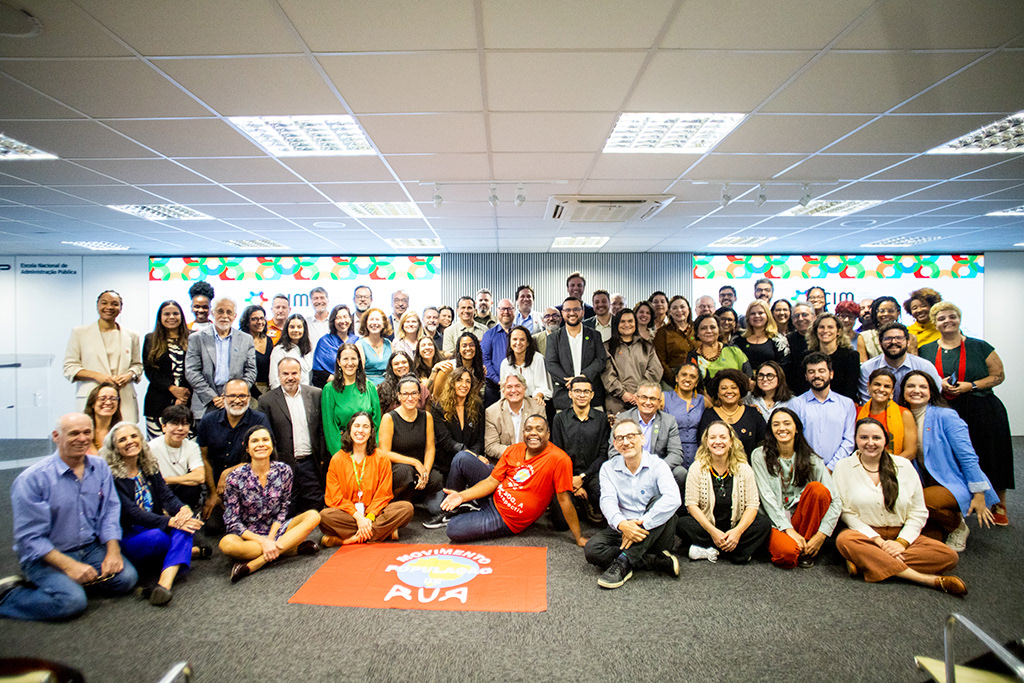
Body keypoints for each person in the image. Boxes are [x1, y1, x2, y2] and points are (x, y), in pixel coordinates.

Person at [0, 414, 138, 621]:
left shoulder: (100, 468)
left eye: (86, 433)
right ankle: (10, 595)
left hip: (89, 548)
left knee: (126, 580)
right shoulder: (31, 479)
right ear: (56, 436)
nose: (82, 438)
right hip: (48, 555)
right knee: (71, 602)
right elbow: (29, 538)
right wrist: (69, 565)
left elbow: (110, 510)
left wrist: (113, 551)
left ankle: (66, 584)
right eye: (74, 433)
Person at [832, 418, 965, 595]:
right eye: (864, 437)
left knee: (948, 556)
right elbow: (846, 512)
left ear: (885, 440)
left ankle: (865, 562)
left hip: (900, 533)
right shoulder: (843, 467)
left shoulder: (904, 466)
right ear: (856, 439)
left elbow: (918, 511)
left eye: (876, 438)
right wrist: (878, 541)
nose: (870, 443)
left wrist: (901, 543)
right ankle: (926, 579)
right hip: (864, 536)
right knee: (844, 541)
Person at [919, 301, 1013, 525]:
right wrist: (938, 383)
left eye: (952, 316)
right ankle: (960, 500)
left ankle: (999, 503)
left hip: (982, 407)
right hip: (945, 408)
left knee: (991, 453)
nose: (947, 321)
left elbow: (998, 375)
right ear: (935, 323)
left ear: (959, 318)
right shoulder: (926, 350)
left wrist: (971, 385)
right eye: (941, 318)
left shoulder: (980, 346)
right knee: (952, 455)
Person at [439, 415, 587, 546]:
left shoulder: (560, 459)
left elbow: (564, 500)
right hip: (494, 494)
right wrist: (461, 496)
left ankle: (473, 509)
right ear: (523, 433)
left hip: (506, 518)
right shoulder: (514, 449)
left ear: (548, 434)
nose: (533, 433)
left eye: (539, 429)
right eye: (528, 429)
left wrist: (578, 537)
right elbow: (491, 482)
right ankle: (454, 508)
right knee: (462, 458)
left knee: (453, 529)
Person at [102, 422, 203, 607]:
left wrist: (183, 510)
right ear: (114, 447)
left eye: (134, 436)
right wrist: (171, 521)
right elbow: (131, 513)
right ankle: (186, 552)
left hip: (155, 524)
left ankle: (163, 585)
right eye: (122, 439)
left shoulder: (148, 466)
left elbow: (166, 496)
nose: (130, 441)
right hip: (129, 534)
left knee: (186, 527)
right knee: (159, 536)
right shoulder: (111, 476)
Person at [899, 370, 997, 551]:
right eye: (910, 386)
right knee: (928, 541)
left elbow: (967, 456)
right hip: (924, 482)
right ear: (903, 391)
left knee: (918, 502)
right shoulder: (901, 416)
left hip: (953, 481)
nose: (916, 390)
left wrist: (979, 493)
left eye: (923, 387)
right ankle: (946, 521)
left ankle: (958, 527)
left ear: (931, 392)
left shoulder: (945, 416)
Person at [585, 418, 682, 589]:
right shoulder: (608, 468)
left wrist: (641, 525)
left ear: (642, 439)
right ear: (615, 444)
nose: (626, 442)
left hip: (655, 530)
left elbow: (674, 499)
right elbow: (607, 501)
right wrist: (622, 524)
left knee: (659, 500)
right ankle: (654, 560)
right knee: (592, 550)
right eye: (620, 438)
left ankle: (624, 562)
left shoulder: (658, 465)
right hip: (624, 527)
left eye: (631, 436)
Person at [218, 426, 321, 582]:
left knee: (313, 516)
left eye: (265, 440)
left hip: (277, 529)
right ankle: (289, 549)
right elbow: (232, 521)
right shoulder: (235, 477)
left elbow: (284, 509)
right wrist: (263, 541)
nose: (261, 444)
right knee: (226, 544)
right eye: (255, 441)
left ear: (272, 445)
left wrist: (271, 537)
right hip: (249, 536)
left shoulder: (284, 471)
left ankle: (256, 563)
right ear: (247, 448)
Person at [750, 408, 841, 569]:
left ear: (796, 428)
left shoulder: (811, 459)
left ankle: (806, 548)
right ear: (771, 430)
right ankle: (797, 547)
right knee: (787, 555)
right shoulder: (759, 455)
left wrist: (821, 535)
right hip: (774, 520)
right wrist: (788, 529)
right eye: (776, 424)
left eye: (787, 423)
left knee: (818, 489)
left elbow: (835, 501)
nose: (782, 428)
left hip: (802, 519)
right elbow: (766, 497)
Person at [678, 421, 771, 564]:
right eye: (712, 437)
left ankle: (710, 550)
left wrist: (737, 532)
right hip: (708, 526)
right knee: (681, 524)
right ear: (706, 442)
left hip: (735, 525)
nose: (718, 442)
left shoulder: (744, 468)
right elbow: (691, 505)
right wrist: (713, 532)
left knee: (763, 524)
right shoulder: (697, 468)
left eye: (723, 437)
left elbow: (752, 505)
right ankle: (737, 552)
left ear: (731, 441)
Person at [319, 413, 414, 546]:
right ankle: (383, 533)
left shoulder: (381, 458)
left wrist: (369, 517)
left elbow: (383, 495)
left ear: (371, 433)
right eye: (357, 426)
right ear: (349, 430)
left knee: (406, 508)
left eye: (365, 427)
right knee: (324, 516)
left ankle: (347, 539)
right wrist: (358, 518)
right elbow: (334, 497)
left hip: (375, 514)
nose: (360, 430)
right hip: (349, 515)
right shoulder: (337, 459)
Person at [196, 379, 273, 524]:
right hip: (217, 487)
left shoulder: (259, 420)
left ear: (249, 397)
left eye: (242, 396)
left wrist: (228, 472)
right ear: (223, 397)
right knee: (212, 526)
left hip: (249, 485)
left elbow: (265, 456)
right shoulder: (208, 421)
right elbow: (203, 457)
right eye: (232, 396)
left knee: (253, 523)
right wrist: (213, 493)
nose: (237, 400)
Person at [257, 357, 326, 516]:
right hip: (282, 465)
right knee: (286, 512)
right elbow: (265, 435)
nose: (290, 377)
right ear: (278, 375)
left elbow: (322, 429)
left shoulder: (316, 394)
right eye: (285, 373)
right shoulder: (266, 401)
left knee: (315, 511)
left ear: (301, 374)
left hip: (311, 464)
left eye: (294, 373)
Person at [63, 289, 143, 423]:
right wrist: (97, 376)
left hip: (124, 397)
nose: (109, 307)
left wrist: (129, 375)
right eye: (104, 303)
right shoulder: (79, 333)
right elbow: (69, 368)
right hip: (92, 397)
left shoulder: (132, 335)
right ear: (97, 306)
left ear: (120, 308)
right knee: (92, 433)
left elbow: (137, 365)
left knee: (125, 433)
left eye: (115, 304)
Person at [184, 297, 257, 419]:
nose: (225, 316)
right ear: (212, 313)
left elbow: (251, 371)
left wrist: (234, 394)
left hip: (237, 402)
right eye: (220, 311)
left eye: (229, 312)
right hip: (205, 402)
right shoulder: (197, 338)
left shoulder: (246, 339)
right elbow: (192, 371)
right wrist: (212, 397)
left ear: (235, 316)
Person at [551, 376, 610, 524]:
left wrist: (582, 478)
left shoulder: (601, 419)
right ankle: (579, 501)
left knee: (604, 504)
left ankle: (586, 501)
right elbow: (557, 454)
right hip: (567, 475)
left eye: (586, 391)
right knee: (560, 522)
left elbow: (604, 454)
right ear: (570, 393)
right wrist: (573, 482)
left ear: (592, 395)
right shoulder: (559, 419)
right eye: (577, 391)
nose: (582, 395)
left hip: (593, 474)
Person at [378, 375, 443, 507]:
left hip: (419, 467)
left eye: (414, 393)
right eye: (405, 394)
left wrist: (425, 472)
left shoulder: (426, 416)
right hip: (398, 467)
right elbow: (384, 452)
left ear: (419, 395)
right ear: (399, 396)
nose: (410, 398)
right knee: (405, 472)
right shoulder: (389, 418)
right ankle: (390, 502)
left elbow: (430, 448)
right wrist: (415, 462)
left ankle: (410, 498)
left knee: (436, 479)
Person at [610, 382, 686, 487]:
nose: (648, 402)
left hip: (658, 470)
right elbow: (614, 453)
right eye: (644, 397)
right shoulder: (622, 420)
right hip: (629, 470)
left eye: (653, 398)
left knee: (680, 472)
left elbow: (676, 453)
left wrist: (656, 469)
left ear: (659, 401)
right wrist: (634, 469)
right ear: (636, 399)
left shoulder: (669, 421)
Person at [791, 352, 856, 471]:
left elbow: (849, 441)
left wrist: (831, 468)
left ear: (831, 374)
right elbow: (794, 439)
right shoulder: (796, 404)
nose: (817, 375)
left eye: (821, 371)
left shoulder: (847, 404)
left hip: (839, 470)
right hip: (806, 469)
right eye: (811, 372)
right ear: (806, 376)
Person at [546, 296, 607, 411]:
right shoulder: (553, 338)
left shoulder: (595, 335)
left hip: (593, 399)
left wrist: (583, 377)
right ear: (562, 313)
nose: (572, 313)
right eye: (568, 310)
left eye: (576, 309)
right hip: (564, 398)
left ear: (582, 312)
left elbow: (601, 360)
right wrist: (572, 383)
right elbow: (551, 364)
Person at [857, 322, 942, 404]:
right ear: (880, 343)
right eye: (888, 338)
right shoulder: (867, 368)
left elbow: (934, 396)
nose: (893, 342)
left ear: (908, 342)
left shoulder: (925, 367)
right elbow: (868, 402)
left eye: (899, 338)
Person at [321, 343, 383, 456]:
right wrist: (341, 456)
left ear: (359, 361)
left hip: (369, 450)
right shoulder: (329, 390)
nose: (350, 363)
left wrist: (372, 451)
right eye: (345, 359)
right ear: (339, 362)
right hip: (343, 451)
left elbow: (377, 423)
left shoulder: (369, 387)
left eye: (353, 358)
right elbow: (330, 428)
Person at [143, 300, 192, 439]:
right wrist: (172, 388)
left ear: (181, 316)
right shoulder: (150, 339)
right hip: (158, 403)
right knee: (157, 446)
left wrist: (183, 395)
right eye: (167, 314)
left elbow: (196, 368)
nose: (171, 317)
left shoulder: (192, 338)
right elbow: (149, 370)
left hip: (188, 402)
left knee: (186, 445)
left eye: (175, 313)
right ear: (160, 317)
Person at [601, 309, 661, 416]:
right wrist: (623, 393)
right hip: (616, 401)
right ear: (616, 324)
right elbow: (607, 374)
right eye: (622, 321)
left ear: (635, 323)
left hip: (643, 400)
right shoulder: (607, 347)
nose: (627, 324)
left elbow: (655, 370)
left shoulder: (647, 346)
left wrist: (640, 392)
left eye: (630, 321)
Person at [696, 369, 766, 459]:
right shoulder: (708, 415)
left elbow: (763, 443)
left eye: (734, 388)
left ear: (740, 391)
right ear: (717, 393)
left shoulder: (753, 414)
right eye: (724, 388)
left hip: (748, 466)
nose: (729, 391)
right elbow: (703, 445)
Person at [430, 366, 485, 480]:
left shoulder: (477, 406)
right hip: (446, 464)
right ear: (452, 383)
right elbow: (445, 441)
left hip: (472, 461)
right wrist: (469, 455)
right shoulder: (438, 408)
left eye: (468, 381)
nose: (464, 385)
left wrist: (473, 455)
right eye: (459, 380)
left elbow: (479, 439)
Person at [149, 405, 205, 510]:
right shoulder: (151, 447)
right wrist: (166, 483)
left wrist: (168, 480)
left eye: (184, 424)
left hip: (179, 488)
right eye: (174, 424)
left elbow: (200, 477)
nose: (180, 428)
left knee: (192, 490)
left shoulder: (192, 446)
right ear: (164, 427)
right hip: (159, 491)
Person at [858, 368, 918, 459]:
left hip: (895, 465)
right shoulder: (857, 412)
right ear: (868, 386)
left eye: (887, 386)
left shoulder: (904, 414)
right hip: (862, 464)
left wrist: (888, 465)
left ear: (892, 391)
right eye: (877, 384)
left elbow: (910, 451)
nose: (881, 389)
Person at [484, 373, 543, 462]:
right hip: (504, 461)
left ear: (524, 389)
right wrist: (518, 453)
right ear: (503, 391)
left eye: (517, 386)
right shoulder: (492, 412)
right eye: (509, 387)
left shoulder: (537, 408)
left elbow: (541, 439)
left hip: (532, 460)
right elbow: (491, 446)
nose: (513, 390)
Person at [806, 312, 861, 401]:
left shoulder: (851, 356)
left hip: (843, 403)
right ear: (816, 331)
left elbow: (851, 388)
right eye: (821, 327)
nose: (825, 330)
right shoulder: (806, 356)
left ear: (838, 332)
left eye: (830, 327)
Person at [662, 363, 705, 471]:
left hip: (697, 455)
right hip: (670, 452)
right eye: (684, 375)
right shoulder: (664, 397)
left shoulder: (703, 401)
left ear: (696, 383)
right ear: (677, 378)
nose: (687, 379)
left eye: (692, 376)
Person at [500, 324, 552, 408]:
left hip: (535, 402)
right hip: (513, 404)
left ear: (528, 343)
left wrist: (538, 396)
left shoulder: (538, 359)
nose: (518, 343)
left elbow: (543, 387)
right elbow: (504, 391)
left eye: (522, 340)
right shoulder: (505, 363)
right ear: (510, 342)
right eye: (515, 339)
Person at [687, 314, 750, 381]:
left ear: (719, 331)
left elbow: (749, 377)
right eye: (703, 328)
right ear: (697, 333)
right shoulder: (693, 357)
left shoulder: (734, 351)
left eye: (712, 327)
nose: (709, 331)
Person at [732, 299, 789, 371]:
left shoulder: (778, 340)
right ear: (748, 317)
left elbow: (783, 365)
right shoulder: (738, 339)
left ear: (768, 315)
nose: (757, 316)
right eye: (753, 313)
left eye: (760, 313)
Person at [859, 296, 918, 363]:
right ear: (875, 314)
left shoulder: (909, 337)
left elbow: (913, 363)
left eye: (891, 311)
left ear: (898, 313)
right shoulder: (864, 337)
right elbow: (863, 365)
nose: (886, 314)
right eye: (882, 311)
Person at [312, 303, 358, 388]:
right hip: (330, 386)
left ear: (351, 320)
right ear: (333, 321)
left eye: (345, 317)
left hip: (354, 386)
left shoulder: (357, 341)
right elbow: (318, 370)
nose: (342, 321)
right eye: (338, 318)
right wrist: (338, 382)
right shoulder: (324, 341)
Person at [653, 295, 696, 386]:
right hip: (671, 378)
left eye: (682, 307)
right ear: (669, 312)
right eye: (674, 308)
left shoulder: (697, 328)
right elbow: (660, 360)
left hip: (698, 375)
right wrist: (675, 380)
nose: (679, 310)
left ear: (688, 309)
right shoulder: (663, 332)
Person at [480, 299, 515, 406]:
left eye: (509, 309)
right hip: (494, 387)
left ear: (514, 310)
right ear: (497, 311)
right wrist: (498, 380)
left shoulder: (521, 333)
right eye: (503, 309)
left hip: (517, 386)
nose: (506, 312)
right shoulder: (489, 335)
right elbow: (485, 360)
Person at [268, 313, 313, 390]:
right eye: (292, 327)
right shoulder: (279, 350)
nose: (296, 330)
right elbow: (274, 380)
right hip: (285, 393)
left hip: (305, 393)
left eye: (299, 327)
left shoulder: (308, 350)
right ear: (286, 329)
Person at [239, 305, 272, 398]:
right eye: (254, 319)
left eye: (262, 318)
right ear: (247, 322)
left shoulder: (269, 340)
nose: (259, 322)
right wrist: (257, 395)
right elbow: (241, 371)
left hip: (269, 389)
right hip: (249, 390)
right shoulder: (241, 342)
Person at [356, 307, 392, 385]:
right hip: (368, 386)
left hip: (389, 386)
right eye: (371, 319)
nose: (374, 323)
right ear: (366, 323)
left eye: (377, 319)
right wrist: (373, 388)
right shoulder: (360, 345)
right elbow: (359, 373)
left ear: (384, 324)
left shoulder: (389, 343)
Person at [85, 382, 122, 454]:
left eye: (113, 398)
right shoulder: (82, 433)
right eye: (102, 398)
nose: (108, 402)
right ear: (93, 403)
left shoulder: (122, 433)